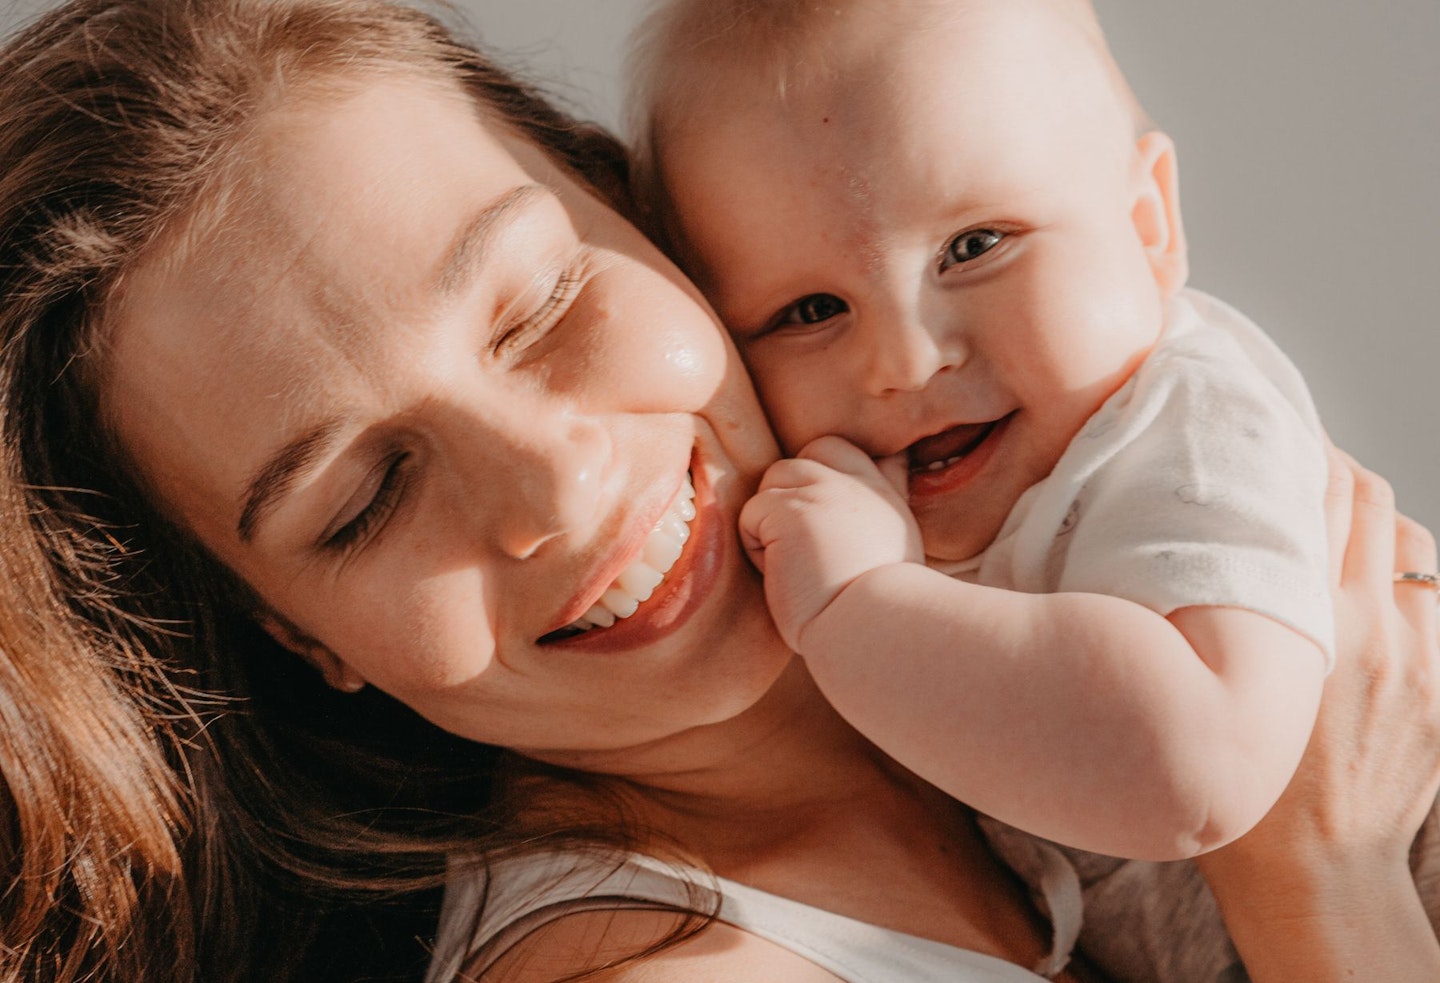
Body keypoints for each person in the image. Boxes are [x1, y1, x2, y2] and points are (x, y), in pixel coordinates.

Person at [0, 1, 1436, 981]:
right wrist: (1324, 882)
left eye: (540, 300)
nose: (550, 480)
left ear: (649, 218)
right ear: (294, 632)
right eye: (364, 496)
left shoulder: (1043, 572)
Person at [625, 0, 1440, 976]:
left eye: (975, 246)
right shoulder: (932, 495)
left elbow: (1196, 765)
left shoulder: (1182, 426)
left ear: (1149, 227)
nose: (905, 356)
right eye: (809, 309)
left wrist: (859, 601)